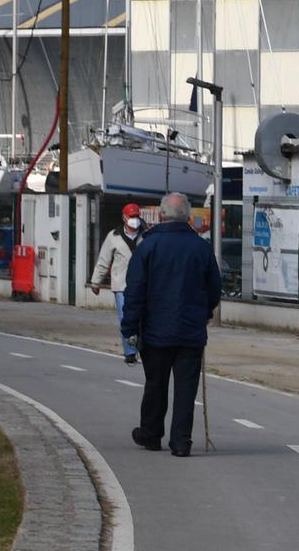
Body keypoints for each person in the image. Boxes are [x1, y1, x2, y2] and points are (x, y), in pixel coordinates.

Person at [123, 191, 222, 457]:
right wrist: (205, 312)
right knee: (186, 388)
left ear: (161, 215)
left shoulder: (147, 247)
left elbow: (135, 290)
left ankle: (151, 434)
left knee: (156, 383)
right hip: (191, 331)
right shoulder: (201, 248)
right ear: (188, 217)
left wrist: (129, 327)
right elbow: (215, 288)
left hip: (155, 330)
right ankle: (181, 441)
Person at [91, 203, 145, 362]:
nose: (134, 220)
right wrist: (96, 281)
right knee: (125, 319)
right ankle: (130, 351)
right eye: (131, 217)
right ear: (124, 218)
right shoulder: (113, 237)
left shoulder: (146, 236)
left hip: (142, 285)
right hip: (121, 285)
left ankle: (142, 345)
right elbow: (103, 260)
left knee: (142, 318)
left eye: (136, 216)